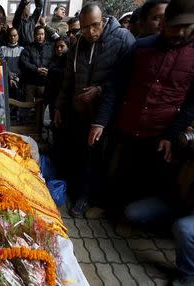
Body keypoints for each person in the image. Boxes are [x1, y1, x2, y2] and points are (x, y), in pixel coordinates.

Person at [92, 0, 194, 216]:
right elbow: (115, 85)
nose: (179, 32)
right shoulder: (142, 47)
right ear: (164, 23)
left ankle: (130, 218)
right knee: (115, 170)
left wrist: (172, 134)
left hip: (163, 133)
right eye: (174, 26)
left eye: (185, 27)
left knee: (146, 179)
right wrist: (101, 120)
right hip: (127, 124)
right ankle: (108, 208)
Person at [54, 2, 135, 218]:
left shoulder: (123, 39)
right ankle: (78, 190)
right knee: (81, 153)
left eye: (95, 26)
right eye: (85, 27)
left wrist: (99, 90)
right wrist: (60, 107)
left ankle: (88, 197)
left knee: (97, 157)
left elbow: (127, 79)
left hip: (105, 116)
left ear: (104, 20)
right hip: (79, 111)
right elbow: (68, 80)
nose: (90, 32)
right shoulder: (78, 43)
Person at [124, 123, 194, 286]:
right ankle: (190, 241)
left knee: (187, 229)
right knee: (133, 212)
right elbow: (175, 160)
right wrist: (186, 140)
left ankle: (193, 273)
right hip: (182, 200)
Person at [2, 27, 24, 100]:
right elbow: (2, 65)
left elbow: (23, 66)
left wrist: (17, 77)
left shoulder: (22, 50)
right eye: (11, 36)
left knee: (17, 102)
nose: (12, 37)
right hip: (5, 80)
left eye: (14, 35)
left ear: (18, 36)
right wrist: (9, 77)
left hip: (18, 79)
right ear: (8, 36)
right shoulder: (2, 49)